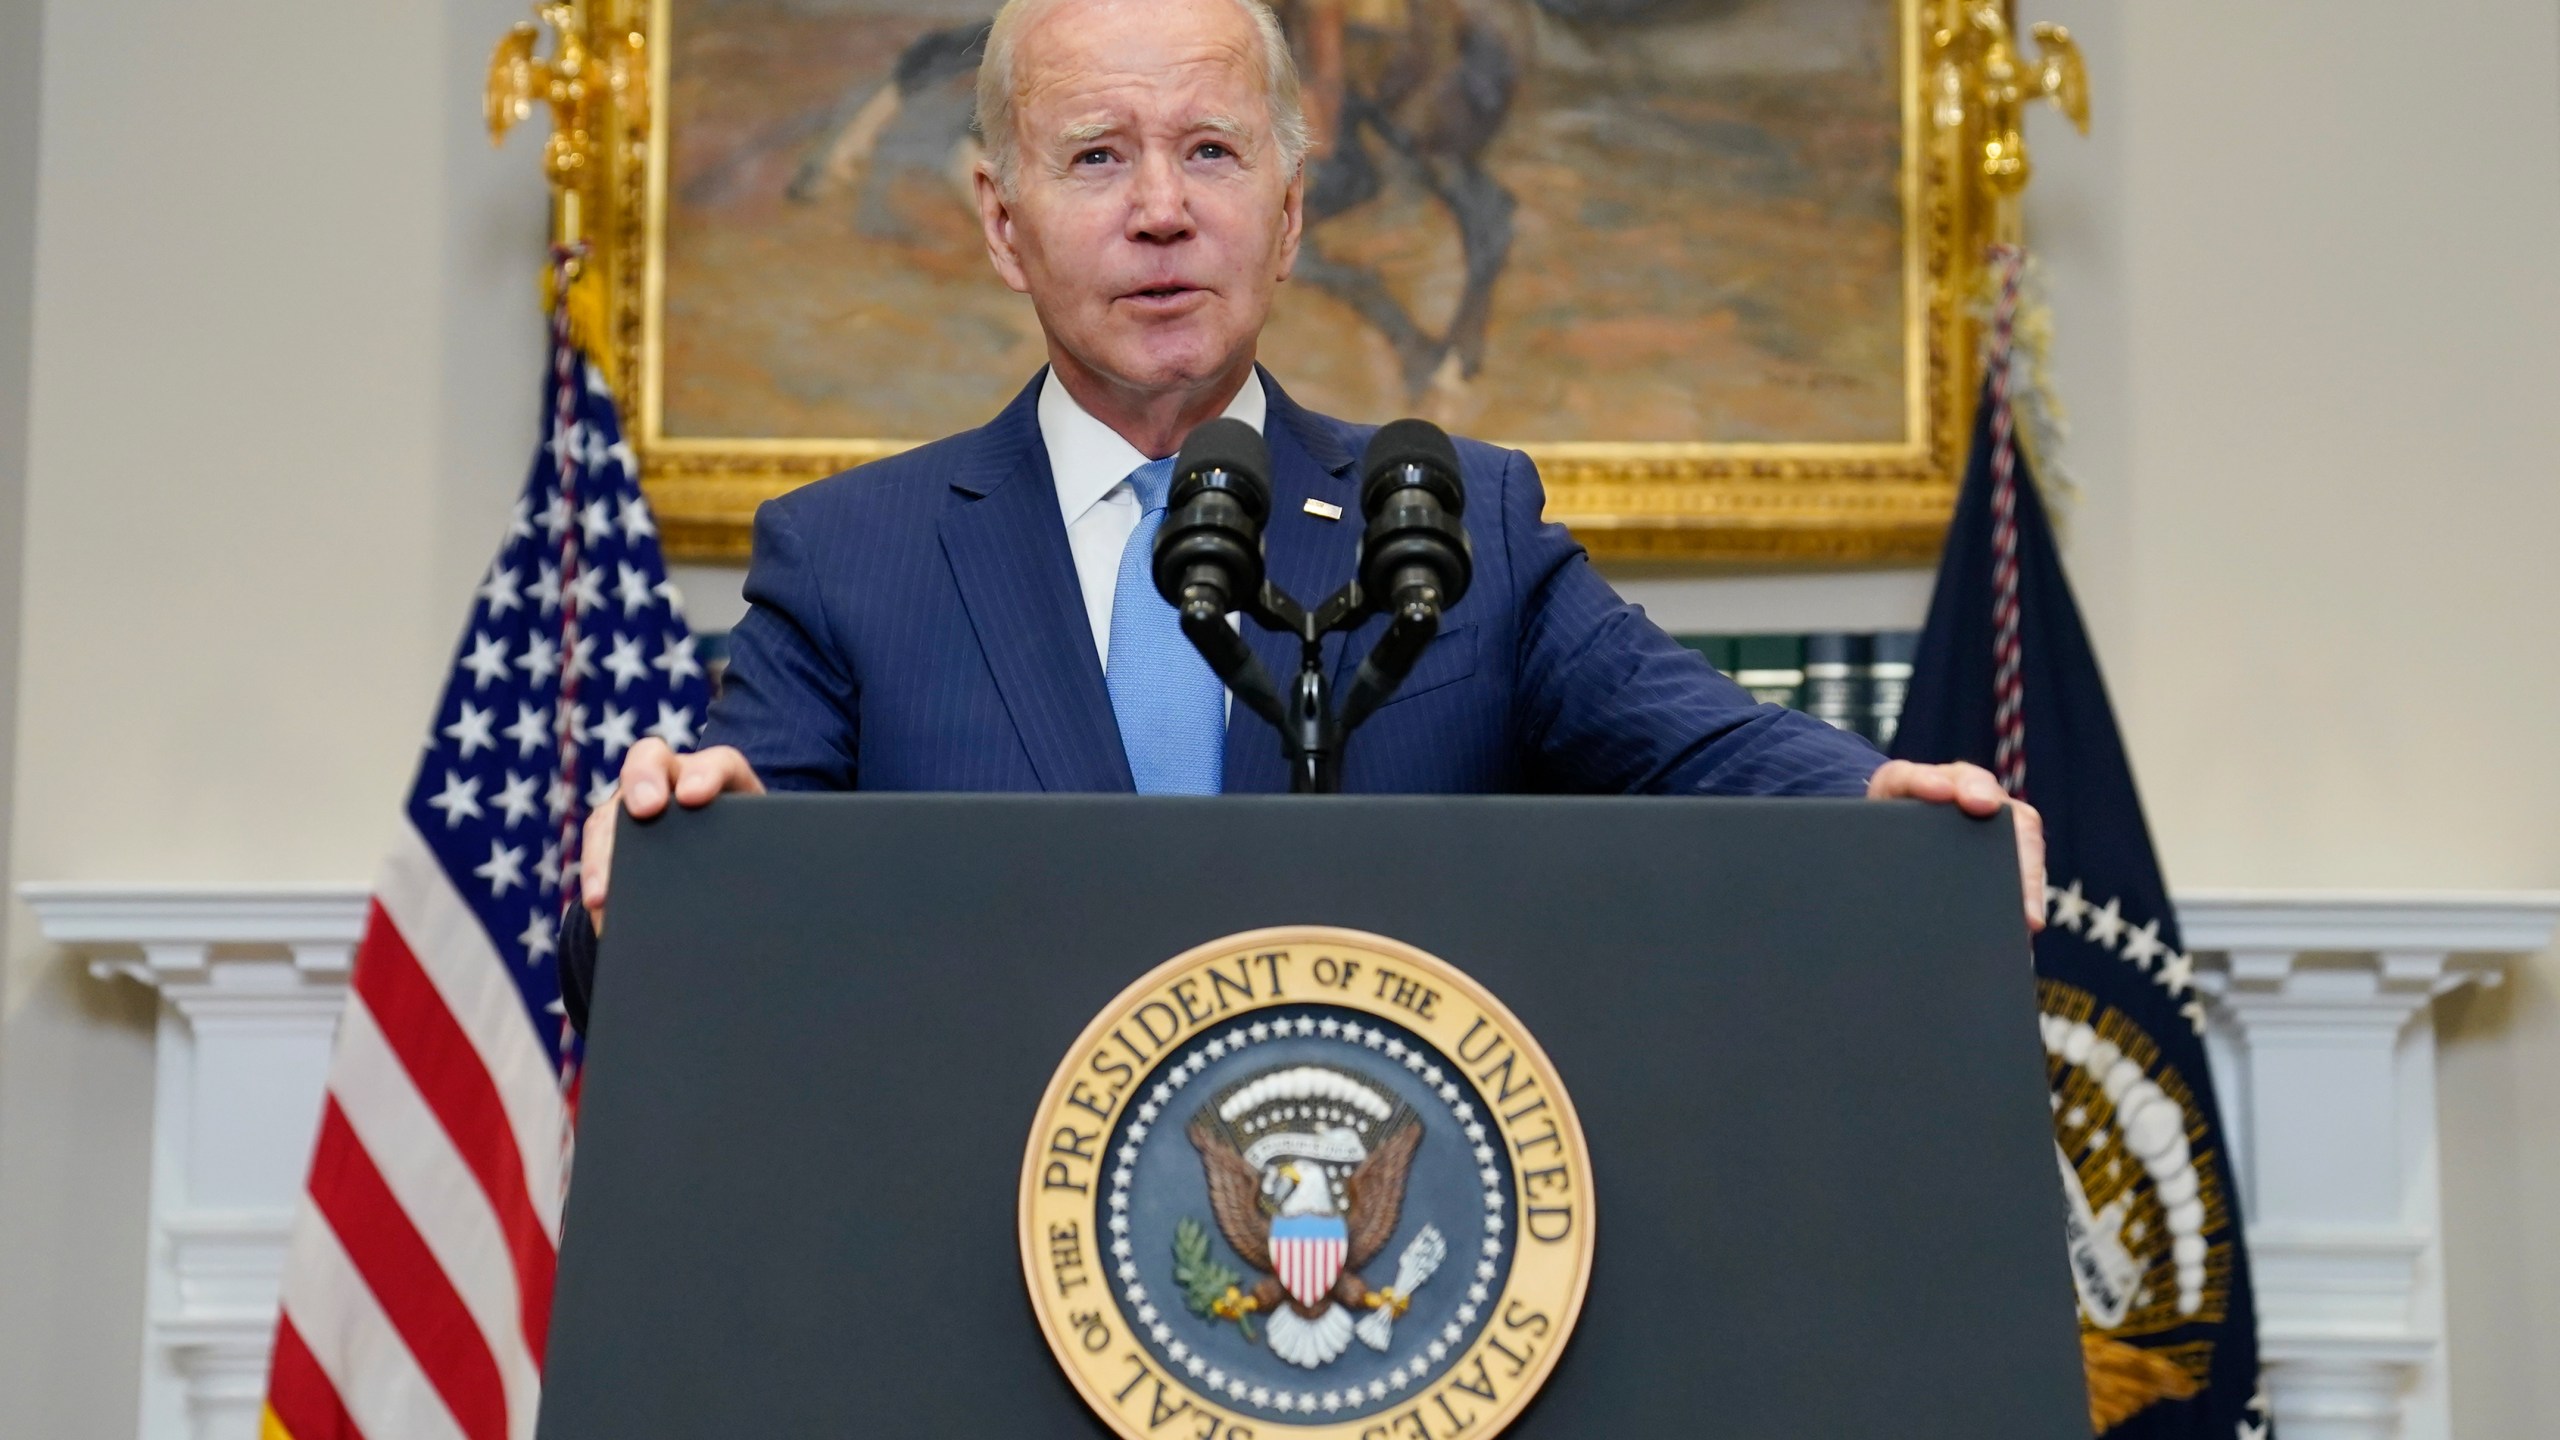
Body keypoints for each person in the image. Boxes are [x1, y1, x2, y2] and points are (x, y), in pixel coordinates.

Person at [561, 0, 2042, 1022]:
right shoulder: (851, 563)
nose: (1161, 209)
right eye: (1096, 157)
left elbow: (1706, 745)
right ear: (1002, 225)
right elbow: (716, 927)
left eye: (1212, 151)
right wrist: (682, 870)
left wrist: (1882, 814)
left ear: (1289, 210)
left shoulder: (1461, 521)